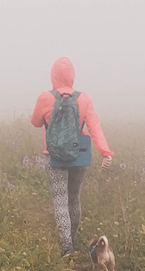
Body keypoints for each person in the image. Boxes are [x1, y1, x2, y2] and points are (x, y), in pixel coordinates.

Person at [30, 56, 113, 256]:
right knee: (74, 199)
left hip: (55, 157)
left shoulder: (45, 97)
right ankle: (73, 239)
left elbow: (35, 122)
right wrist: (105, 152)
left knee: (60, 201)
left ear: (53, 75)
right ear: (72, 76)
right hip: (79, 156)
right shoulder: (83, 98)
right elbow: (94, 127)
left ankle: (66, 248)